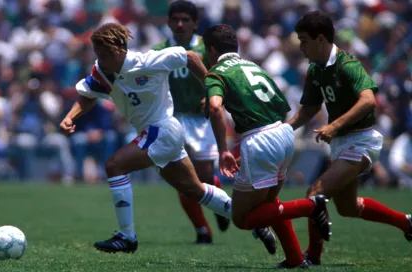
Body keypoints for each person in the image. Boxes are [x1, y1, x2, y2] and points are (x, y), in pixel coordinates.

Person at [60, 23, 238, 254]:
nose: (102, 59)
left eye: (107, 54)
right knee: (195, 190)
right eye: (98, 54)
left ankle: (126, 237)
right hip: (155, 135)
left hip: (162, 129)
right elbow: (88, 95)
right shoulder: (102, 70)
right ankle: (253, 220)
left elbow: (190, 56)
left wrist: (210, 88)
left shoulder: (147, 61)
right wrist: (70, 116)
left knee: (114, 165)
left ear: (122, 49)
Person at [288, 11, 412, 265]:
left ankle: (312, 257)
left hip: (362, 139)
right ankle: (406, 223)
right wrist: (283, 130)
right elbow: (309, 109)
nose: (300, 46)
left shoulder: (347, 64)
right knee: (347, 208)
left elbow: (368, 101)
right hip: (342, 142)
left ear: (320, 39)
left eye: (303, 40)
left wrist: (334, 125)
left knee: (316, 192)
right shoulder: (315, 70)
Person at [203, 24, 331, 269]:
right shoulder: (254, 66)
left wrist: (224, 150)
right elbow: (282, 105)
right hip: (282, 133)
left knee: (242, 218)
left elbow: (215, 107)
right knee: (268, 206)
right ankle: (295, 259)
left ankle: (311, 206)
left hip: (259, 139)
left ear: (211, 49)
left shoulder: (216, 72)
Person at [152, 0, 229, 244]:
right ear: (168, 22)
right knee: (182, 178)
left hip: (201, 120)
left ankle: (220, 203)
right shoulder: (159, 50)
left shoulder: (207, 49)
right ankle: (202, 231)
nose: (179, 24)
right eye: (175, 19)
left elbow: (224, 76)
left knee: (204, 177)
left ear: (195, 23)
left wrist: (214, 97)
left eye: (185, 19)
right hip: (171, 120)